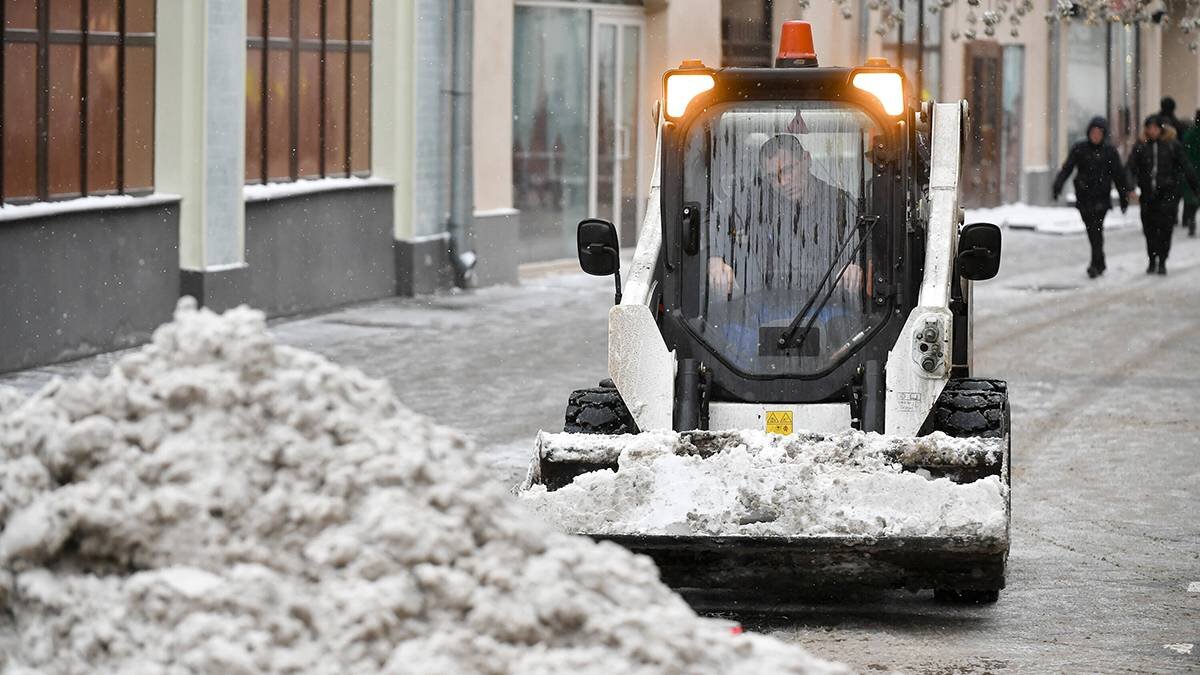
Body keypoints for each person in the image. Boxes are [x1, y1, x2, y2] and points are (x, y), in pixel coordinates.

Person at [1052, 116, 1133, 278]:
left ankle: (1095, 264)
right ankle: (1100, 260)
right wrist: (1058, 184)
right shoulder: (1080, 148)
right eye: (1093, 132)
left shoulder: (1109, 152)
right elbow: (1068, 168)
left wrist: (1124, 197)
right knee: (1092, 230)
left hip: (1101, 198)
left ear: (1104, 134)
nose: (1095, 136)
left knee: (1096, 229)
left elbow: (1119, 176)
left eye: (1099, 133)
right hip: (1084, 197)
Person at [1126, 115, 1200, 275]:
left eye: (1154, 127)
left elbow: (1186, 166)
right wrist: (1130, 187)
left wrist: (1195, 187)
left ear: (1161, 129)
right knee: (1149, 230)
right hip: (1147, 196)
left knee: (1165, 230)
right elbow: (1130, 168)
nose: (1151, 131)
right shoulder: (1141, 146)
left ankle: (1163, 260)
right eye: (1149, 127)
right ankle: (1152, 260)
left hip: (1168, 195)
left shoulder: (1172, 146)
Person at [1181, 109, 1200, 237]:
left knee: (1191, 198)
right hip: (1193, 169)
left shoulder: (1190, 133)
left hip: (1191, 170)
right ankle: (1190, 219)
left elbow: (1184, 152)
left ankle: (1189, 218)